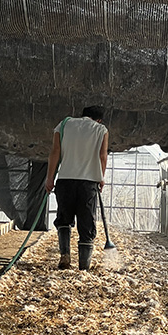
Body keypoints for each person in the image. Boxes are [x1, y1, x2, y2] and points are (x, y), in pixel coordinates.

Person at [45, 106, 109, 270]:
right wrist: (101, 178)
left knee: (64, 219)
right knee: (86, 222)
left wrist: (50, 178)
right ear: (99, 119)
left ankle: (65, 255)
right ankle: (84, 266)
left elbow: (55, 151)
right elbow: (102, 156)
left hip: (65, 180)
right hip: (88, 184)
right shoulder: (101, 130)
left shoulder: (64, 124)